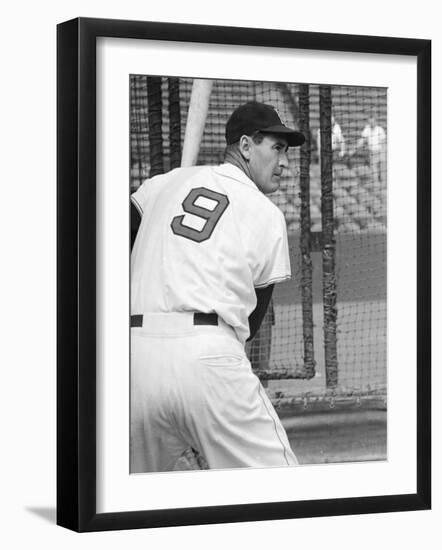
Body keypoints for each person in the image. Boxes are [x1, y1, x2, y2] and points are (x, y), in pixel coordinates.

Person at [130, 101, 304, 472]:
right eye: (277, 147)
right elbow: (251, 324)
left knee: (125, 503)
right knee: (285, 496)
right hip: (209, 357)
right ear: (245, 146)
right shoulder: (265, 213)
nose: (285, 162)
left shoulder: (165, 183)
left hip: (133, 360)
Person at [353, 112, 386, 184]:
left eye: (372, 121)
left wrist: (383, 154)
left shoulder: (380, 129)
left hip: (380, 152)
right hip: (372, 153)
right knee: (374, 170)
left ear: (375, 121)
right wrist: (355, 148)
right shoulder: (367, 129)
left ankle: (383, 184)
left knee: (382, 171)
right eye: (369, 122)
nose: (371, 123)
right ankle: (376, 184)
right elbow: (362, 139)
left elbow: (383, 142)